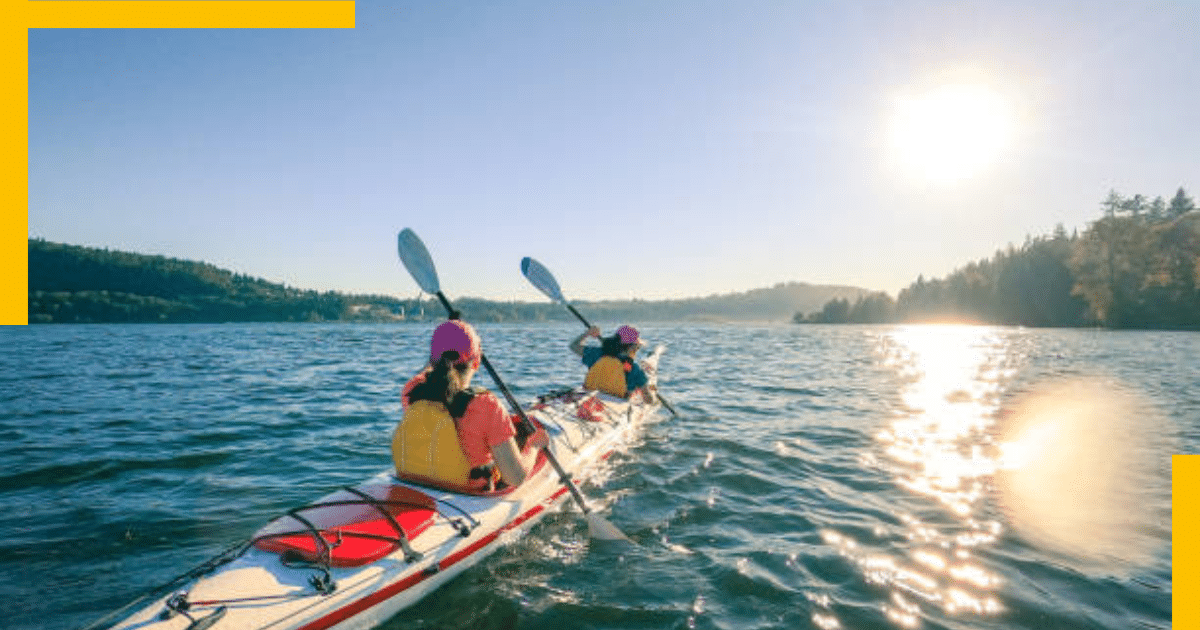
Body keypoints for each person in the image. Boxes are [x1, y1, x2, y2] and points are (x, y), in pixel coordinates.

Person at [393, 319, 548, 493]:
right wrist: (534, 446)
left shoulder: (412, 392)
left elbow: (428, 371)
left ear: (432, 359)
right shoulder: (487, 405)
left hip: (417, 485)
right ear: (476, 363)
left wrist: (451, 333)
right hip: (467, 494)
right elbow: (515, 477)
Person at [569, 324, 651, 399]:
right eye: (637, 347)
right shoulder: (634, 369)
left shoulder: (596, 354)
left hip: (589, 396)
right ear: (631, 347)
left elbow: (573, 346)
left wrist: (587, 333)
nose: (637, 350)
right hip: (616, 404)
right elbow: (648, 399)